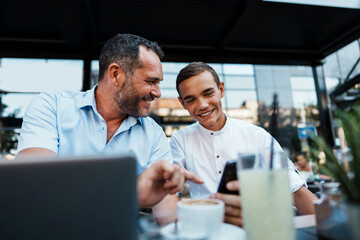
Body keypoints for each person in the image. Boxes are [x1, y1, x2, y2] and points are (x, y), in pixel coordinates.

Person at [15, 33, 203, 221]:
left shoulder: (154, 134)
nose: (158, 92)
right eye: (151, 81)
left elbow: (168, 214)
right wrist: (133, 193)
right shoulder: (51, 107)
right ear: (115, 74)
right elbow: (33, 187)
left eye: (159, 83)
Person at [170, 62, 318, 227]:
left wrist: (330, 226)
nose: (202, 105)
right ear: (182, 103)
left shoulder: (256, 136)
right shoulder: (180, 139)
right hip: (207, 228)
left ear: (221, 90)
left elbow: (296, 190)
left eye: (208, 93)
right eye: (191, 99)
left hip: (256, 227)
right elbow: (169, 193)